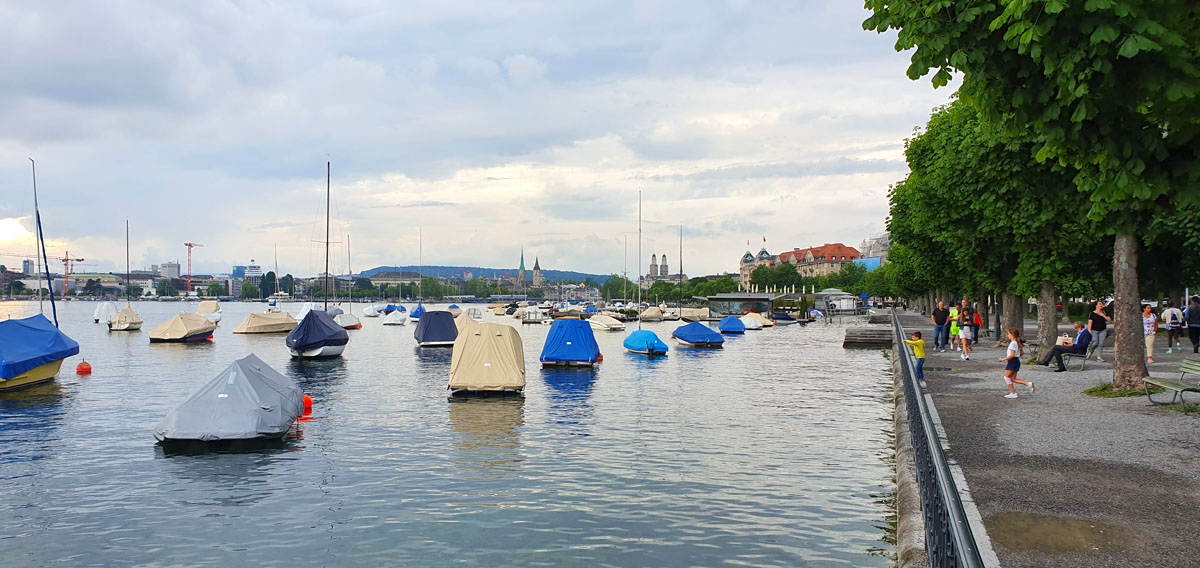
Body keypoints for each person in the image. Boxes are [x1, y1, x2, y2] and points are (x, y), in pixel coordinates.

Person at [999, 328, 1034, 398]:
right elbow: (1022, 353)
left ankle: (1013, 393)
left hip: (1012, 361)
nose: (1008, 335)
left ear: (1012, 335)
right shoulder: (1017, 342)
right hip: (1016, 361)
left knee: (1006, 377)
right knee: (1013, 378)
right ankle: (1027, 384)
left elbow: (1012, 355)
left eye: (1008, 334)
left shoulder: (1013, 343)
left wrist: (1004, 359)